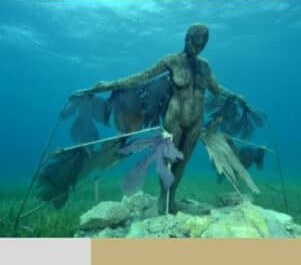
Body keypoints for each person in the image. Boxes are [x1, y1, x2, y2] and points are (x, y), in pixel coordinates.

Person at [73, 24, 254, 214]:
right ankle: (163, 197)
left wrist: (236, 96)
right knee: (168, 159)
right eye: (196, 41)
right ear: (187, 38)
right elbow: (140, 77)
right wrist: (107, 85)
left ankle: (171, 197)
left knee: (182, 162)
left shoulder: (205, 66)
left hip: (195, 123)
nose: (199, 46)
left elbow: (216, 89)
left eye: (203, 43)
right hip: (174, 119)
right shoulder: (172, 61)